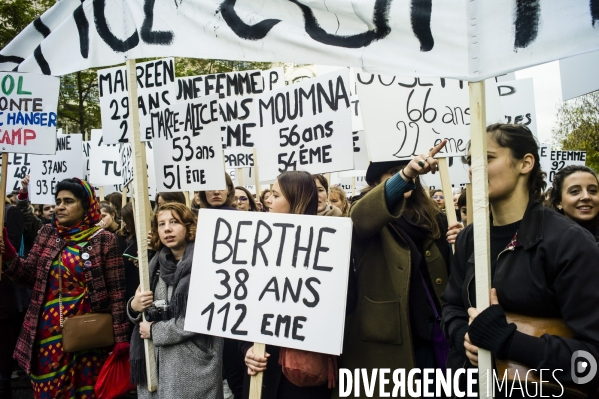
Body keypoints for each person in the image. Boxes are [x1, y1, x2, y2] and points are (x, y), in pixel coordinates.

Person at [442, 124, 599, 395]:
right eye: (470, 161)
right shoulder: (470, 238)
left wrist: (508, 341)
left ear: (525, 163)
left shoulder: (568, 243)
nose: (472, 169)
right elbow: (452, 307)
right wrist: (464, 337)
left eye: (487, 158)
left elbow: (590, 361)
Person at [335, 141, 451, 398]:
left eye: (407, 170)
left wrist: (459, 241)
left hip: (433, 327)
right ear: (378, 183)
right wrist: (406, 175)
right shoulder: (363, 212)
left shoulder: (435, 217)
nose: (406, 174)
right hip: (390, 331)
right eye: (393, 173)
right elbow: (360, 219)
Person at [0, 178, 129, 399]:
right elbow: (28, 275)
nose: (60, 206)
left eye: (68, 201)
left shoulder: (104, 240)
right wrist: (9, 253)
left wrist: (121, 339)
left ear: (87, 205)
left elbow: (117, 294)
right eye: (58, 201)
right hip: (48, 336)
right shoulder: (47, 234)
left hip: (89, 336)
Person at [243, 171, 332, 399]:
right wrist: (247, 349)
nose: (268, 200)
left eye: (275, 195)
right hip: (263, 367)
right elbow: (241, 304)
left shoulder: (329, 243)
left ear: (297, 199)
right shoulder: (257, 242)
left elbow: (346, 303)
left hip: (302, 374)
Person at [128, 203, 223, 399]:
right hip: (157, 361)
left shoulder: (207, 262)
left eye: (174, 222)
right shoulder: (153, 266)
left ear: (189, 226)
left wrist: (155, 331)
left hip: (193, 364)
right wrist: (134, 306)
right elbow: (143, 307)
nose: (167, 229)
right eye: (161, 224)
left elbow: (203, 315)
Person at [0, 195, 25, 398]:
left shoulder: (9, 213)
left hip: (3, 288)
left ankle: (4, 383)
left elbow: (14, 248)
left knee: (4, 339)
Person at [546, 165, 599, 242]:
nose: (586, 197)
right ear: (558, 202)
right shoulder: (545, 240)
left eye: (593, 190)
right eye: (574, 191)